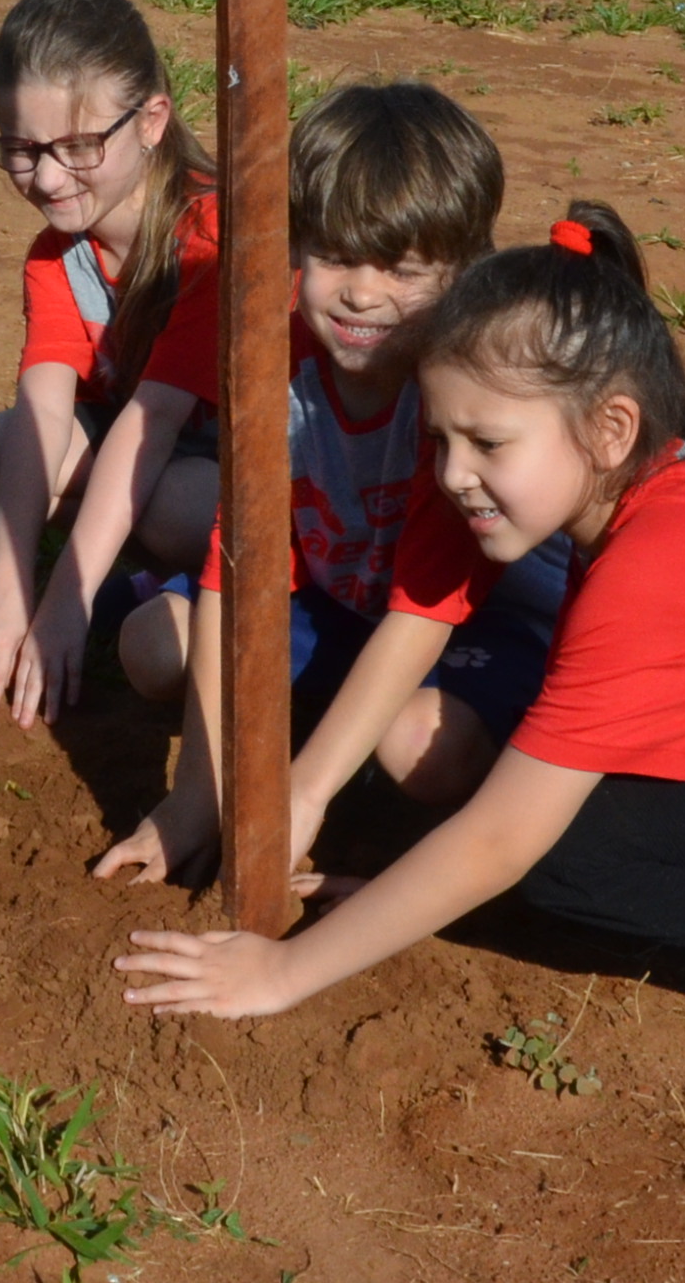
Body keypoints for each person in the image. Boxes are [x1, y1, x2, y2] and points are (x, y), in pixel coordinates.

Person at [113, 205, 685, 1081]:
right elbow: (424, 614)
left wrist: (282, 975)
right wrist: (312, 802)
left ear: (609, 428)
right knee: (545, 762)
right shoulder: (621, 458)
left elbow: (502, 842)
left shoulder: (666, 561)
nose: (453, 474)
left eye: (485, 444)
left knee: (568, 851)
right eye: (439, 439)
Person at [94, 82, 553, 886]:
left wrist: (299, 798)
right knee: (150, 646)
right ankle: (329, 731)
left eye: (404, 270)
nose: (363, 294)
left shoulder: (459, 392)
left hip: (468, 624)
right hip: (335, 605)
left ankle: (350, 769)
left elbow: (427, 608)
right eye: (337, 257)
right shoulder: (275, 361)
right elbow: (233, 571)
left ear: (464, 274)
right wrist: (198, 793)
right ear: (297, 247)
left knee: (425, 752)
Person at [0, 0, 222, 727]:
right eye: (22, 150)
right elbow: (45, 403)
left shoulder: (211, 242)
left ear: (152, 119)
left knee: (170, 507)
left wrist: (64, 603)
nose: (49, 178)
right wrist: (7, 587)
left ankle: (147, 589)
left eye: (79, 147)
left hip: (236, 471)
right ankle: (126, 576)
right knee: (3, 451)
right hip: (152, 447)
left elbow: (150, 422)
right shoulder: (59, 256)